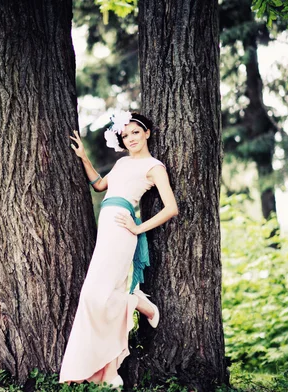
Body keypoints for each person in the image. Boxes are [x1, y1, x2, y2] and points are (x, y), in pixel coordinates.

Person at [59, 111, 179, 389]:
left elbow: (172, 208)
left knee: (96, 295)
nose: (131, 138)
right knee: (98, 295)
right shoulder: (123, 163)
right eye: (125, 136)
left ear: (147, 133)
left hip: (124, 232)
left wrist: (138, 229)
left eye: (135, 132)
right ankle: (110, 372)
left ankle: (139, 304)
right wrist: (84, 158)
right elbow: (101, 186)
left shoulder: (154, 167)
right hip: (107, 229)